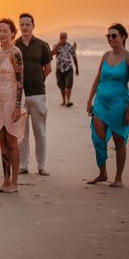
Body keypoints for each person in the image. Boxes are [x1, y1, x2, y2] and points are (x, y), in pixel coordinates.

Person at [86, 24, 129, 187]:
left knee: (119, 142)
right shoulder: (105, 56)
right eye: (108, 36)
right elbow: (98, 79)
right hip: (101, 103)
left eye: (114, 35)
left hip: (120, 105)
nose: (110, 39)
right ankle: (102, 173)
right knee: (98, 139)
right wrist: (89, 100)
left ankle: (118, 178)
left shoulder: (127, 57)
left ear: (123, 37)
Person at [0, 19, 26, 193]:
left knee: (12, 141)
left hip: (12, 99)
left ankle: (15, 183)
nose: (1, 34)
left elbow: (20, 82)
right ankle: (5, 180)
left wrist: (18, 106)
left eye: (5, 30)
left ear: (13, 33)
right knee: (2, 140)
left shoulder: (15, 52)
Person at [15, 13, 52, 176]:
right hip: (20, 95)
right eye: (22, 25)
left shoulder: (42, 45)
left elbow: (48, 68)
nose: (24, 27)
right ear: (19, 27)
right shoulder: (15, 45)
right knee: (22, 133)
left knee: (40, 131)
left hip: (38, 94)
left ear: (33, 26)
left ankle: (41, 166)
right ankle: (24, 164)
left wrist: (38, 80)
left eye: (27, 24)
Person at [51, 32, 79, 107]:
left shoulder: (70, 47)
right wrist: (57, 46)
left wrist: (77, 69)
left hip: (68, 69)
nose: (62, 39)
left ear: (66, 38)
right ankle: (63, 101)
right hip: (59, 69)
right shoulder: (56, 46)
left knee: (68, 85)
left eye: (64, 37)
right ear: (59, 38)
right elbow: (52, 54)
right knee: (61, 86)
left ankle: (68, 101)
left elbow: (74, 58)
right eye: (61, 37)